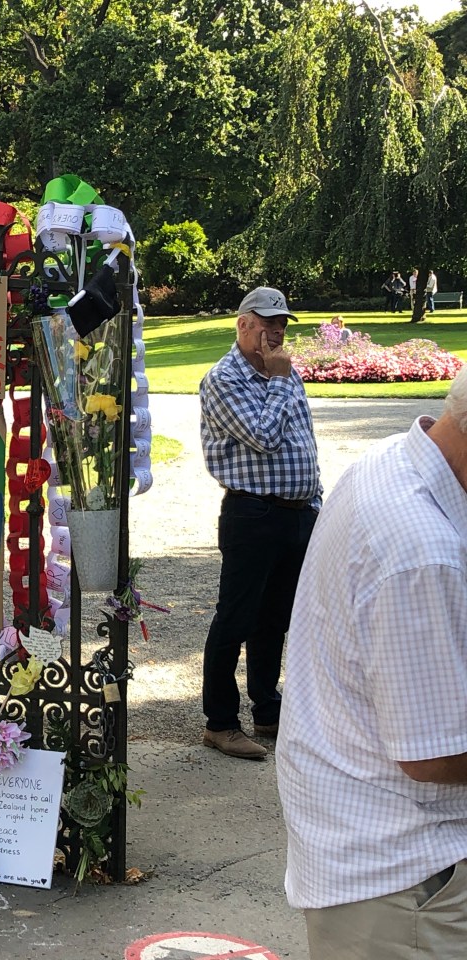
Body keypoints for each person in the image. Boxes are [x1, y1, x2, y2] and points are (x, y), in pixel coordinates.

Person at [278, 367, 467, 958]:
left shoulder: (392, 459)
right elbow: (433, 753)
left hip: (365, 850)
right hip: (405, 880)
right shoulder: (422, 553)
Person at [197, 285, 321, 760]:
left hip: (296, 513)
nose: (276, 331)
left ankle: (267, 711)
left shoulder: (281, 373)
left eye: (282, 323)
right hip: (252, 513)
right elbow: (265, 437)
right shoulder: (225, 379)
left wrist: (315, 497)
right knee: (236, 617)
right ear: (243, 324)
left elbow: (303, 440)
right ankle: (221, 723)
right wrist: (280, 380)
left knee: (275, 620)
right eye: (267, 322)